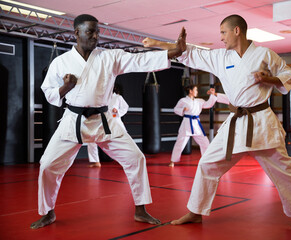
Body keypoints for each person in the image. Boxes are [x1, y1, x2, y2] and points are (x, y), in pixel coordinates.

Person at [142, 14, 291, 231]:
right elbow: (189, 52)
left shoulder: (264, 54)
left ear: (237, 31)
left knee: (283, 169)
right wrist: (157, 43)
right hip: (236, 122)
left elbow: (289, 75)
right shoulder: (222, 58)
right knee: (207, 164)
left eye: (223, 32)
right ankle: (195, 212)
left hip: (261, 121)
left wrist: (269, 79)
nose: (221, 38)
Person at [30, 14, 186, 229]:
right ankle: (48, 212)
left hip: (105, 121)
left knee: (136, 158)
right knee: (47, 165)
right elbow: (48, 93)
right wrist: (65, 88)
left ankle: (141, 209)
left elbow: (139, 60)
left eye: (97, 31)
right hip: (73, 120)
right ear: (76, 33)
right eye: (89, 32)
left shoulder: (109, 57)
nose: (95, 36)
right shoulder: (61, 62)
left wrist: (173, 52)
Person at [170, 85, 217, 167]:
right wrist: (182, 110)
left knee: (205, 142)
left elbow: (208, 104)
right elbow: (175, 109)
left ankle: (206, 160)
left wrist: (212, 95)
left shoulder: (199, 101)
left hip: (196, 124)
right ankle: (173, 161)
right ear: (190, 91)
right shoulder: (183, 100)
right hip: (187, 124)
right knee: (180, 143)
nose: (197, 92)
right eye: (196, 90)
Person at [88, 85, 129, 168]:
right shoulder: (100, 98)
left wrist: (117, 112)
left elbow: (125, 107)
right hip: (101, 122)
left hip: (114, 121)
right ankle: (95, 161)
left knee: (123, 141)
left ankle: (127, 160)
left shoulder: (117, 97)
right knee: (91, 140)